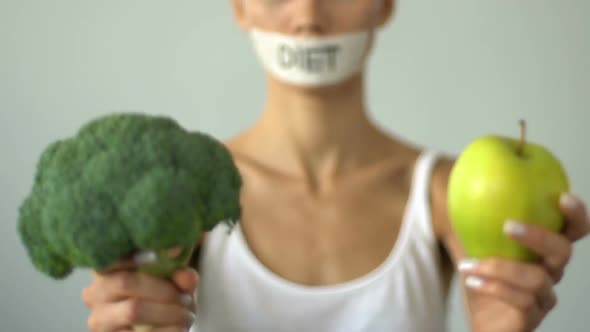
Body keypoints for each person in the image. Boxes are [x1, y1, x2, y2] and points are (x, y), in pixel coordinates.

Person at [81, 1, 590, 331]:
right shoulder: (186, 193)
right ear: (238, 6)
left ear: (386, 5)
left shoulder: (441, 193)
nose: (307, 14)